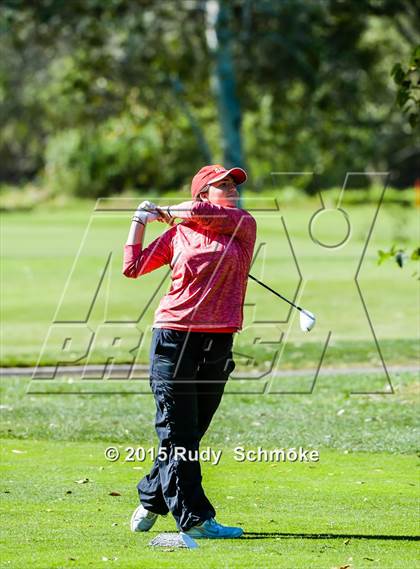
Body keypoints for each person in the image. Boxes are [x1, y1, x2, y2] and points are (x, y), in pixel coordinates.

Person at [122, 164, 257, 539]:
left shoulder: (242, 224)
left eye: (233, 184)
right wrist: (140, 220)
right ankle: (195, 519)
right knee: (178, 431)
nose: (232, 189)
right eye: (222, 185)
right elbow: (132, 267)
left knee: (190, 430)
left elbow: (199, 214)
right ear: (202, 193)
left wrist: (169, 210)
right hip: (173, 337)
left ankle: (152, 497)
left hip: (219, 339)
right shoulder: (179, 234)